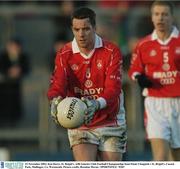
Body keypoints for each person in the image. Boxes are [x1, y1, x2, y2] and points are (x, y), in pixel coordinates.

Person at [47, 7, 127, 161]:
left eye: (86, 29)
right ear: (72, 29)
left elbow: (113, 89)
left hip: (110, 119)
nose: (81, 34)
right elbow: (58, 84)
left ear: (95, 28)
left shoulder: (111, 51)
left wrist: (96, 104)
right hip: (79, 119)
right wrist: (54, 100)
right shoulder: (64, 54)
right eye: (77, 29)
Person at [128, 1, 180, 161]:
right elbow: (133, 69)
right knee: (160, 158)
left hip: (178, 103)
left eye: (165, 14)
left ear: (172, 17)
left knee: (176, 158)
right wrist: (139, 78)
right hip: (155, 104)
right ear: (152, 17)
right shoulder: (143, 44)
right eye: (157, 14)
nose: (160, 18)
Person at [0, 37, 30, 127]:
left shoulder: (23, 57)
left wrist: (19, 71)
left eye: (16, 47)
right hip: (4, 89)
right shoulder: (3, 57)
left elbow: (27, 69)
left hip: (16, 90)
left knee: (15, 113)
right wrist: (9, 72)